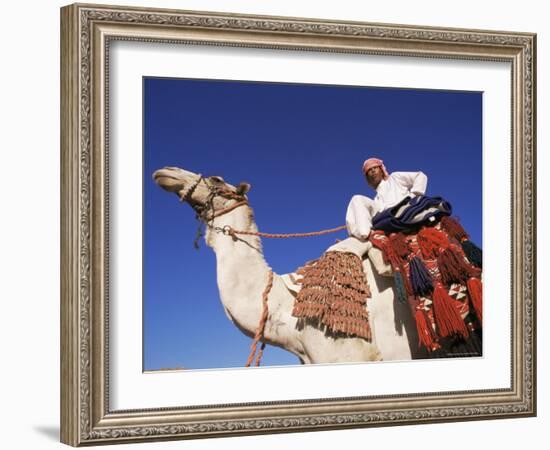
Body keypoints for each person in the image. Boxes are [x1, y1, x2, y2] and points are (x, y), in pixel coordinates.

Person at [346, 157, 428, 241]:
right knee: (357, 199)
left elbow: (420, 176)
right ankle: (363, 236)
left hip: (403, 212)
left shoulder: (395, 178)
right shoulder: (376, 200)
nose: (373, 171)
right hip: (385, 219)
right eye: (369, 170)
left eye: (375, 168)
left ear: (381, 170)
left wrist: (414, 196)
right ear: (368, 178)